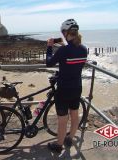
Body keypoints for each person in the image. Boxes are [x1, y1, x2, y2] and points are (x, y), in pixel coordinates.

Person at [45, 19, 87, 154]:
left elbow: (49, 63)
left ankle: (58, 145)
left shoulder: (63, 50)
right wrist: (64, 45)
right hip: (77, 87)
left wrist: (49, 47)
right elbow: (72, 58)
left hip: (63, 89)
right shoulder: (83, 48)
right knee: (74, 114)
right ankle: (69, 138)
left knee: (62, 119)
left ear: (66, 32)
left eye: (63, 33)